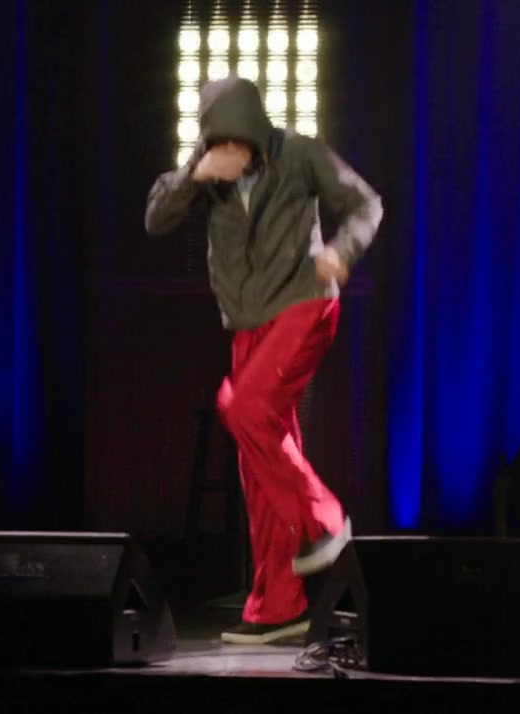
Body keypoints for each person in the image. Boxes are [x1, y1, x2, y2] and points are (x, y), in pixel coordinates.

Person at [145, 76, 382, 644]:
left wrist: (341, 250)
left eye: (241, 141)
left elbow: (366, 203)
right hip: (249, 325)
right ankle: (278, 603)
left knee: (243, 409)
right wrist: (195, 174)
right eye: (222, 143)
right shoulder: (206, 170)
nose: (234, 153)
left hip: (304, 304)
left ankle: (325, 520)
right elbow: (155, 218)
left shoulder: (299, 152)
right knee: (259, 461)